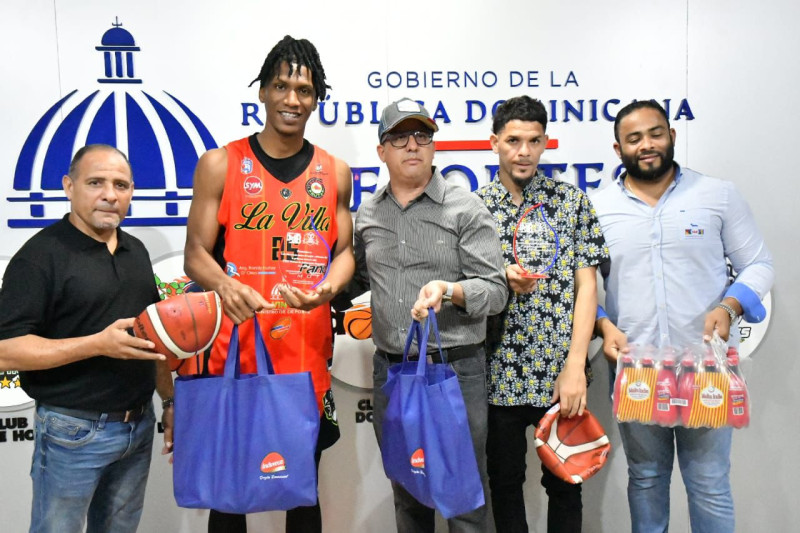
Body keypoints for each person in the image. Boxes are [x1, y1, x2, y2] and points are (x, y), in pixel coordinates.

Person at [184, 35, 354, 533]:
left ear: (316, 97)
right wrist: (225, 285)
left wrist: (327, 290)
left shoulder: (335, 173)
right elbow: (195, 254)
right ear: (262, 91)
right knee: (231, 490)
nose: (292, 99)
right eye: (281, 85)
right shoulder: (221, 163)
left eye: (304, 89)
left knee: (304, 488)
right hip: (236, 352)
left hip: (305, 355)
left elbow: (343, 254)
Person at [592, 100, 774, 533]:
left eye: (655, 133)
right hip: (637, 368)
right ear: (618, 150)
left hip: (705, 365)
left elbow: (760, 264)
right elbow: (577, 287)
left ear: (672, 135)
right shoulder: (596, 207)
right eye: (634, 138)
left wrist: (730, 305)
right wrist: (602, 322)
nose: (647, 145)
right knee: (647, 478)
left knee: (709, 484)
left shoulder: (717, 195)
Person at [346, 97, 508, 533]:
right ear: (382, 151)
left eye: (421, 135)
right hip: (393, 373)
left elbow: (496, 292)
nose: (412, 145)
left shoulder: (465, 208)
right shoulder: (367, 214)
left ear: (434, 147)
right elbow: (358, 281)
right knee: (408, 491)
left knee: (465, 501)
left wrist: (450, 291)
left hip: (456, 372)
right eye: (399, 137)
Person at [0, 144, 174, 533]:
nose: (110, 194)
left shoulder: (136, 251)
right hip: (71, 432)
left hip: (139, 425)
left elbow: (153, 338)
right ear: (69, 186)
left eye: (121, 185)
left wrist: (170, 401)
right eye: (96, 182)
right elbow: (5, 351)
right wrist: (96, 344)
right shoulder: (40, 256)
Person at [474, 96, 608, 533]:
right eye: (513, 140)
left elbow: (586, 285)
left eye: (534, 140)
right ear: (494, 142)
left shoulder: (571, 202)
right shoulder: (472, 208)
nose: (524, 151)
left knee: (566, 482)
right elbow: (465, 286)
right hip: (496, 372)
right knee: (504, 483)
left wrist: (574, 366)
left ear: (545, 142)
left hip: (559, 372)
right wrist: (498, 278)